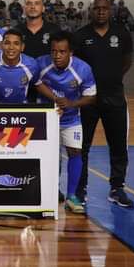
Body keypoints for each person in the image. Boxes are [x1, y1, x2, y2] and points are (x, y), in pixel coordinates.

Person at [73, 0, 134, 208]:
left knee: (118, 146)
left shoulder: (122, 34)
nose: (101, 12)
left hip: (115, 98)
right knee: (82, 146)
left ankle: (117, 189)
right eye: (96, 8)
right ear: (90, 11)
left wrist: (111, 78)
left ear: (111, 10)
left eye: (104, 8)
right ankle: (80, 190)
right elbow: (75, 67)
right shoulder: (80, 36)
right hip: (87, 100)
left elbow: (127, 62)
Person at [35, 31, 97, 214]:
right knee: (49, 155)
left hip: (71, 118)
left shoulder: (83, 69)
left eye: (62, 51)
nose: (57, 56)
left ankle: (71, 196)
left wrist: (72, 103)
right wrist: (54, 99)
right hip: (47, 117)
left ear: (71, 52)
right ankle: (50, 193)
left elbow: (91, 96)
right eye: (54, 51)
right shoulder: (41, 63)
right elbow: (37, 83)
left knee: (75, 151)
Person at [14, 0, 60, 101]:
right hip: (22, 87)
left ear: (43, 8)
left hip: (49, 87)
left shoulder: (54, 30)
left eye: (37, 3)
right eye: (29, 3)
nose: (33, 7)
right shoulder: (16, 31)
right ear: (24, 8)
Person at [0, 29, 38, 104]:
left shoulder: (32, 65)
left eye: (16, 43)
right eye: (7, 43)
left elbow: (37, 83)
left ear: (22, 47)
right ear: (1, 45)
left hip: (20, 109)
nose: (11, 47)